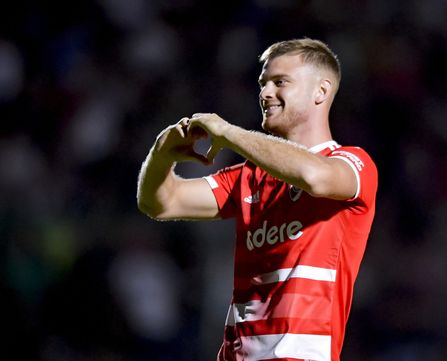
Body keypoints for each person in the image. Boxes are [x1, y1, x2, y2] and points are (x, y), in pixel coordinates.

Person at [137, 38, 378, 361]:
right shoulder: (249, 177)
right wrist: (161, 154)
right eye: (262, 83)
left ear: (320, 92)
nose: (265, 93)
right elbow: (161, 202)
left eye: (280, 82)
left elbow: (314, 178)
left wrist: (229, 134)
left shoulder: (351, 164)